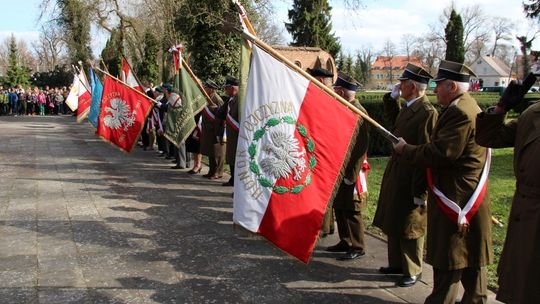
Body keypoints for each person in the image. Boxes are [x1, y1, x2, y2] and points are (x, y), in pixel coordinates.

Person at [393, 60, 493, 303]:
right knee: (472, 263)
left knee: (451, 263)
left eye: (439, 85)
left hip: (456, 200)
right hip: (467, 197)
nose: (435, 89)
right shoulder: (467, 106)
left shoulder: (459, 112)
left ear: (451, 86)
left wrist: (406, 150)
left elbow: (441, 153)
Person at [475, 76, 540, 303]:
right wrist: (502, 108)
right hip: (526, 215)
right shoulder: (533, 114)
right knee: (523, 286)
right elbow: (488, 137)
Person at [373, 63, 438, 287]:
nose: (399, 85)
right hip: (397, 172)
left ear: (412, 86)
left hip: (412, 176)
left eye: (402, 83)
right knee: (395, 219)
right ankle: (397, 264)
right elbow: (396, 124)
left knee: (411, 224)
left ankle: (413, 269)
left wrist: (420, 190)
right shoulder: (410, 106)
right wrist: (391, 100)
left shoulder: (427, 112)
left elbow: (425, 152)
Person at [325, 73, 369, 260]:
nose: (334, 92)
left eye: (335, 90)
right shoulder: (345, 108)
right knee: (340, 205)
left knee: (352, 209)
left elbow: (360, 148)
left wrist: (351, 173)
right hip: (340, 168)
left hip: (352, 170)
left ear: (341, 91)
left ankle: (357, 245)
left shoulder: (359, 113)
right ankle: (345, 240)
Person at [308, 67, 337, 238]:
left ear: (320, 80)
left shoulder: (330, 99)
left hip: (325, 152)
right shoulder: (322, 96)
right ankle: (327, 225)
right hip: (316, 149)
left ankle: (324, 227)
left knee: (323, 190)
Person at [200, 80, 225, 180]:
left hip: (215, 129)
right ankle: (211, 171)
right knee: (211, 152)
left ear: (211, 89)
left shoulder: (217, 99)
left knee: (218, 152)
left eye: (205, 87)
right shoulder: (208, 98)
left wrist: (217, 130)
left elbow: (221, 116)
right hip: (208, 129)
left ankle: (218, 172)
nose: (204, 89)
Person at [217, 76, 240, 187]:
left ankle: (236, 182)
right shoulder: (230, 99)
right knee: (231, 156)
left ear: (233, 87)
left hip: (237, 134)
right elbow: (221, 113)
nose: (225, 90)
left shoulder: (240, 99)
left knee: (236, 158)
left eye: (227, 88)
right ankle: (233, 179)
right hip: (230, 133)